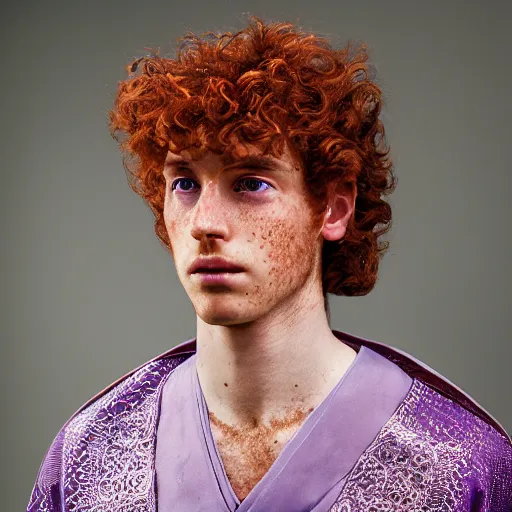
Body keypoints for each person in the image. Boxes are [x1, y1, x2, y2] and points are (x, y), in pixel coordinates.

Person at [27, 16, 511, 512]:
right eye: (185, 183)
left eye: (251, 182)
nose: (204, 224)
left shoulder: (458, 465)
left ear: (334, 207)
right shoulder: (89, 456)